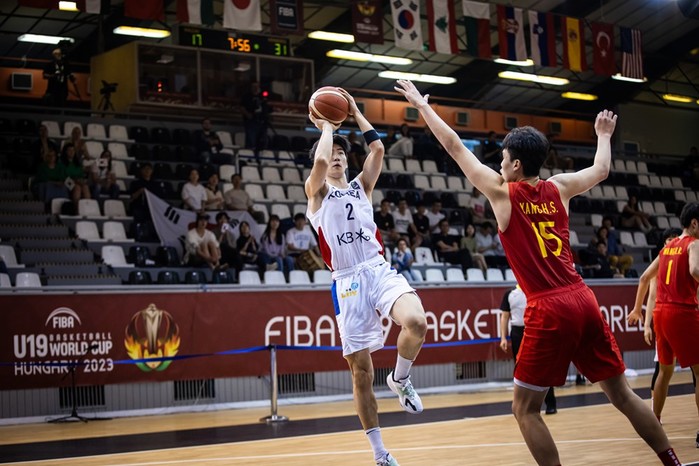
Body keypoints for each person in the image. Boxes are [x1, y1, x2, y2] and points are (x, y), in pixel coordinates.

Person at [396, 79, 681, 466]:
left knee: (525, 409)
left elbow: (454, 146)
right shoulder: (559, 187)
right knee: (622, 394)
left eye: (502, 159)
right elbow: (601, 169)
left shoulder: (502, 192)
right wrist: (603, 135)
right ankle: (672, 461)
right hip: (583, 298)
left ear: (515, 164)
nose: (499, 164)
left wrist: (422, 106)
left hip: (548, 306)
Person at [305, 88, 427, 466]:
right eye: (332, 153)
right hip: (347, 283)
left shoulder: (362, 187)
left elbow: (377, 149)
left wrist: (355, 111)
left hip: (377, 269)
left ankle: (401, 379)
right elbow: (321, 158)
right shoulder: (316, 193)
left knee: (417, 322)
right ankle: (380, 454)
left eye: (342, 153)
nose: (336, 156)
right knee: (361, 374)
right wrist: (327, 126)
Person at [628, 205, 699, 443]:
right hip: (682, 313)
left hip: (660, 313)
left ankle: (654, 423)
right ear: (694, 223)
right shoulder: (693, 244)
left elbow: (643, 278)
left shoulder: (667, 248)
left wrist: (637, 309)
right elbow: (695, 269)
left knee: (664, 371)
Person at [627, 228, 682, 423]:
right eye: (669, 239)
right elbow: (651, 295)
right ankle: (655, 414)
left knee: (676, 371)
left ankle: (655, 416)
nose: (672, 242)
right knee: (662, 369)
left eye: (675, 238)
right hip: (670, 315)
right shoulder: (665, 259)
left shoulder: (681, 256)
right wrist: (647, 325)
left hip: (672, 316)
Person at [499, 284, 557, 415]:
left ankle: (550, 403)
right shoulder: (510, 294)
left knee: (542, 367)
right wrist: (503, 338)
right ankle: (522, 404)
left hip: (534, 329)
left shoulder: (535, 290)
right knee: (520, 369)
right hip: (517, 332)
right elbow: (505, 316)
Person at [241, 81, 270, 154]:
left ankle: (260, 155)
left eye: (257, 87)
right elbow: (242, 107)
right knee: (251, 140)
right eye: (254, 87)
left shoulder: (262, 97)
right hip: (251, 122)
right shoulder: (246, 96)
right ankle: (249, 155)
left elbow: (267, 107)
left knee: (262, 141)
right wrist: (247, 114)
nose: (256, 88)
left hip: (262, 122)